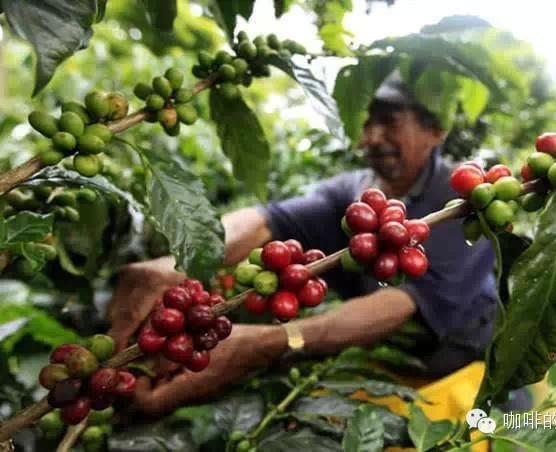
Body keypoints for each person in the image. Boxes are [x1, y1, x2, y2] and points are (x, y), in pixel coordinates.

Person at [107, 70, 503, 416]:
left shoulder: (458, 204)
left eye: (388, 122)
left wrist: (272, 341)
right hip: (388, 366)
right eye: (366, 124)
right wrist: (177, 262)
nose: (371, 137)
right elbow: (264, 221)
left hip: (467, 371)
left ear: (434, 131)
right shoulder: (354, 194)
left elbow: (399, 303)